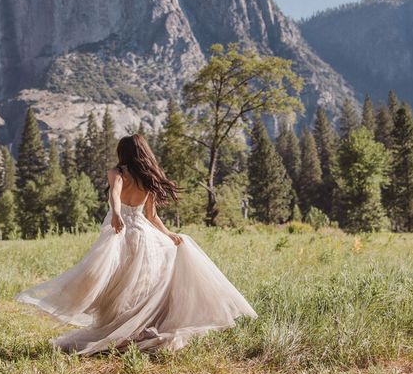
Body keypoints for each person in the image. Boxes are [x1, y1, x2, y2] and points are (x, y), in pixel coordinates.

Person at [15, 133, 257, 354]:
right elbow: (152, 216)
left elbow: (115, 193)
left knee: (114, 281)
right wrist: (168, 234)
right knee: (139, 284)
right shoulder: (148, 177)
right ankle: (136, 326)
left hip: (120, 233)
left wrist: (117, 214)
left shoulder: (117, 173)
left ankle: (120, 328)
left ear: (123, 153)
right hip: (142, 233)